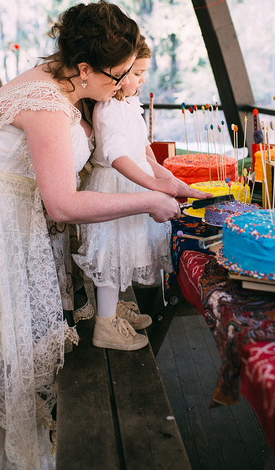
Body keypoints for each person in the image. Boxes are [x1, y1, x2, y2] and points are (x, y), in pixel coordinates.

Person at [0, 1, 182, 469]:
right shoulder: (48, 109)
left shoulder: (59, 77)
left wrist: (157, 176)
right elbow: (62, 203)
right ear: (84, 67)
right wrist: (149, 200)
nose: (120, 87)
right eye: (116, 76)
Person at [74, 39, 208, 351]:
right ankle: (105, 325)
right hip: (114, 187)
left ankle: (112, 308)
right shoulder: (108, 110)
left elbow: (144, 156)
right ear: (119, 76)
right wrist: (154, 186)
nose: (143, 79)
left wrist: (173, 182)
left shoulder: (129, 105)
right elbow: (117, 155)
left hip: (133, 184)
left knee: (123, 252)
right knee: (109, 256)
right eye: (138, 73)